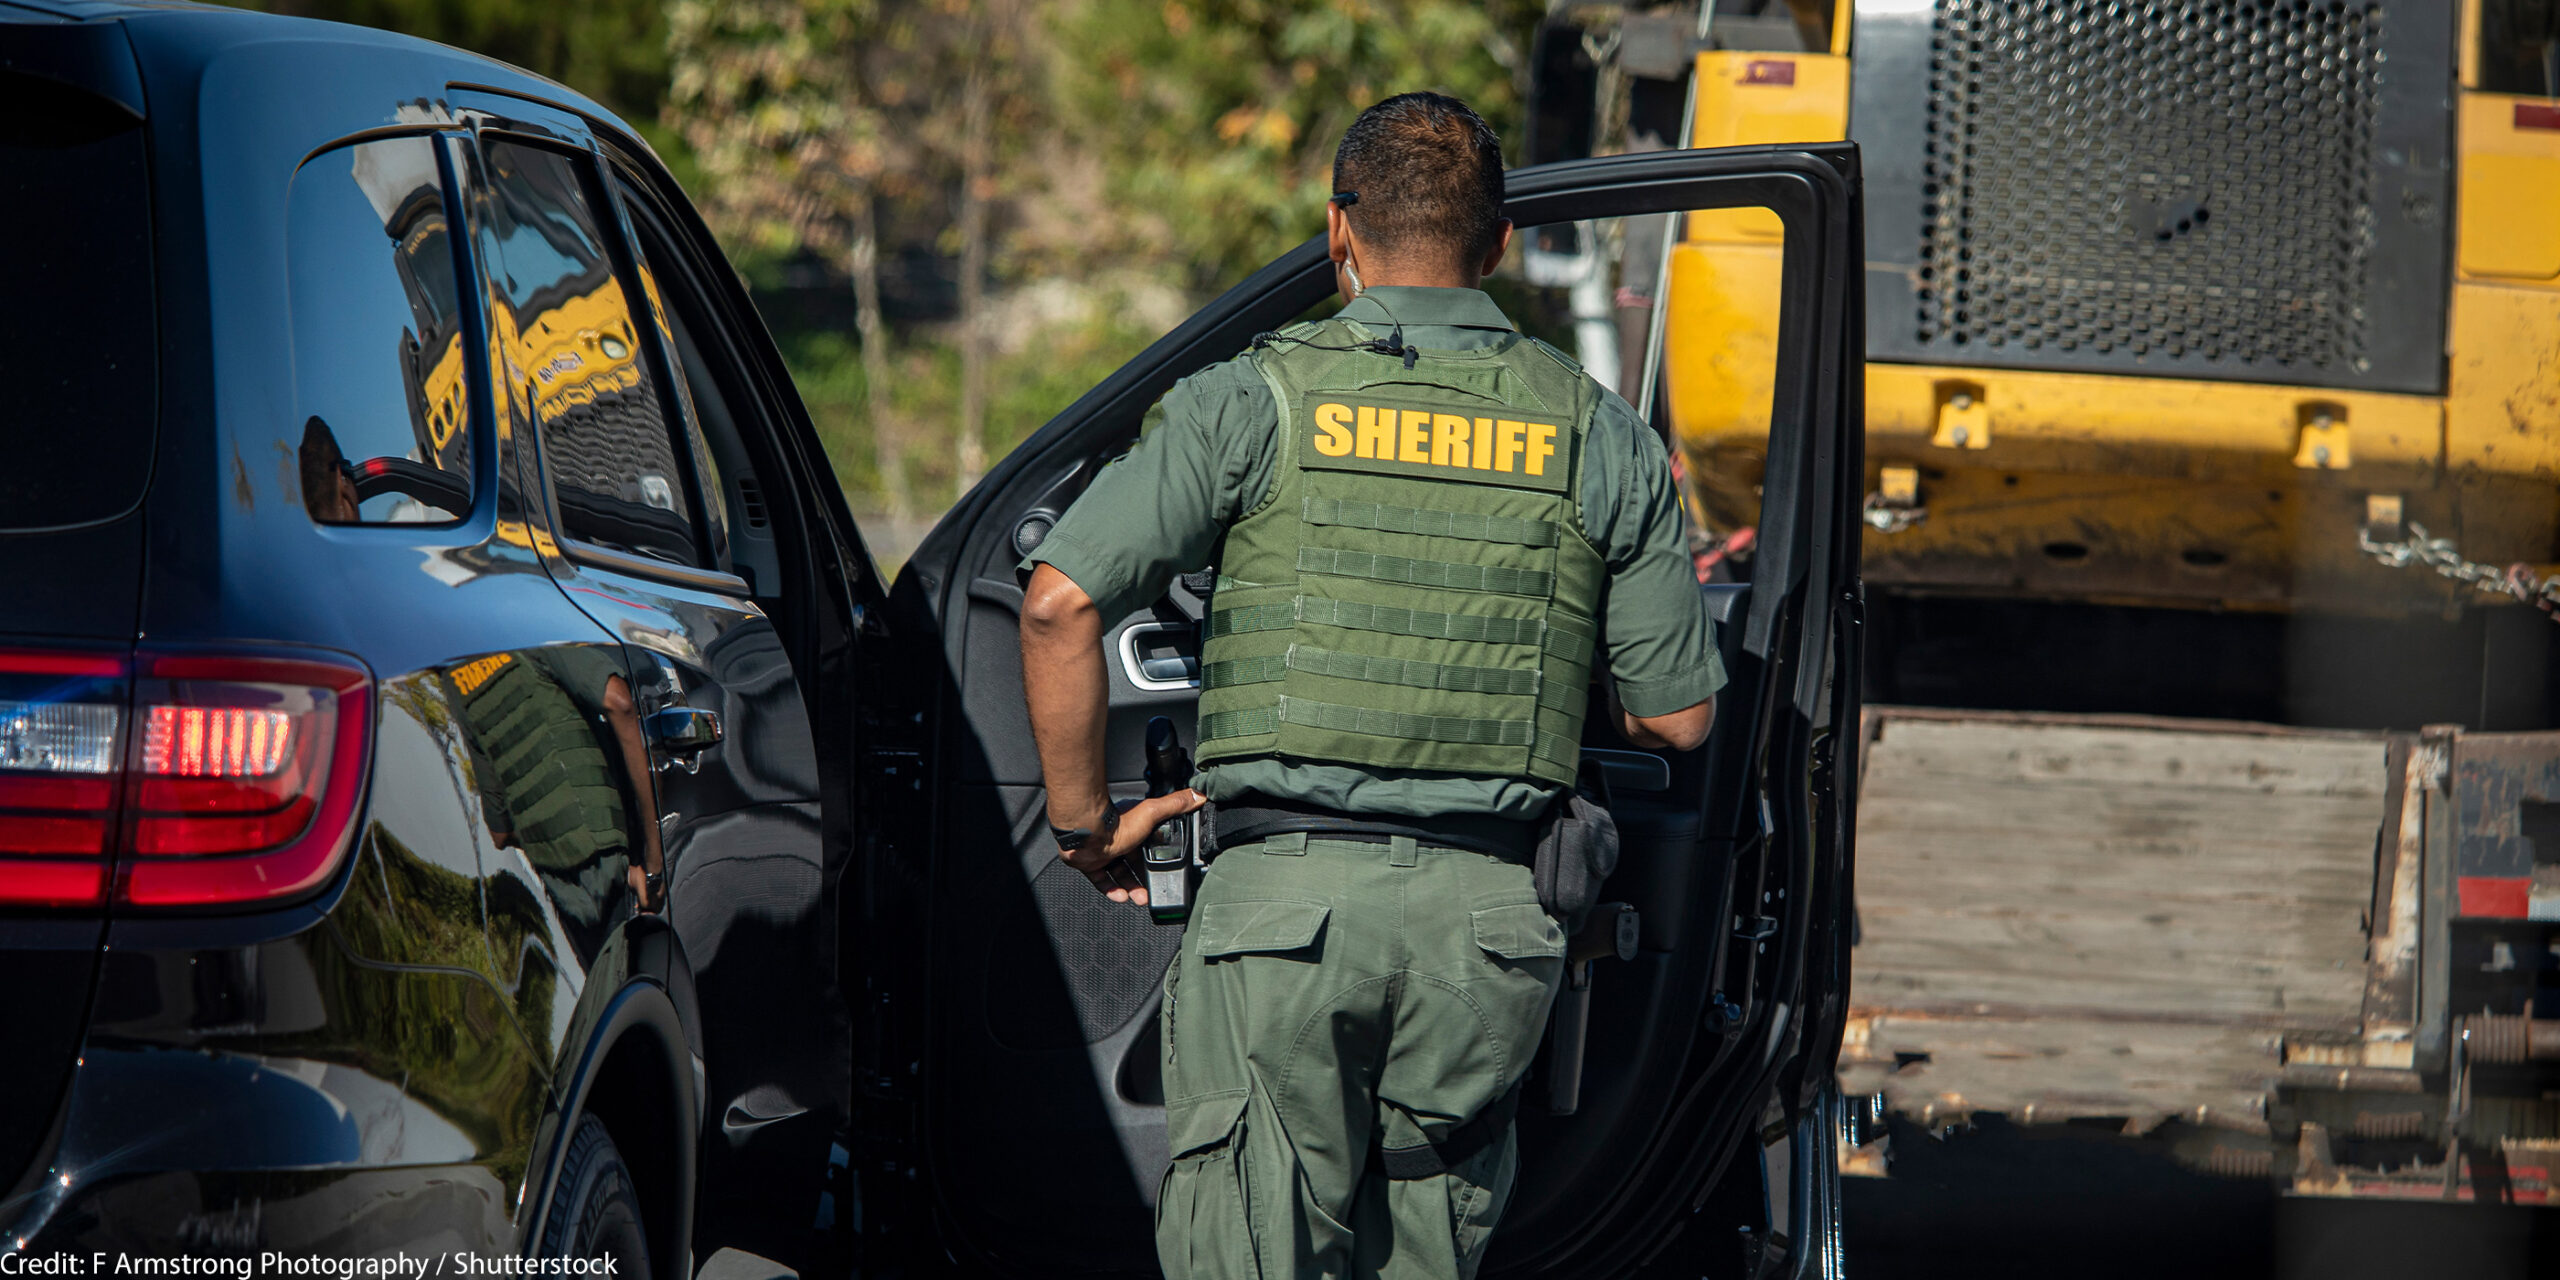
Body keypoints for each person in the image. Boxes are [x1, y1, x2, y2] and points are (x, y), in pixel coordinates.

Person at [1017, 91, 1722, 1280]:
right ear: (1499, 245)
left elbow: (1055, 605)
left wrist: (1088, 826)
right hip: (1487, 930)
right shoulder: (1599, 433)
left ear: (1337, 228)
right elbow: (1678, 715)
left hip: (1277, 921)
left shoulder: (1249, 399)